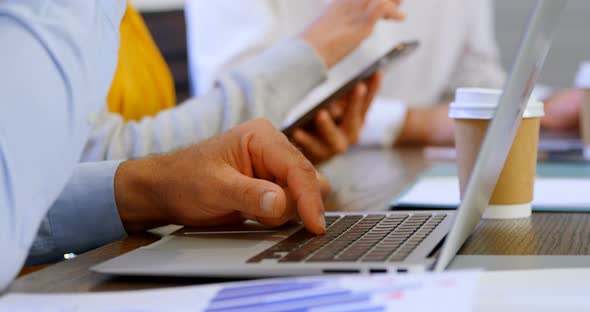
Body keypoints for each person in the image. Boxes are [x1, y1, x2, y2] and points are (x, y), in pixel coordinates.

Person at [1, 0, 403, 290]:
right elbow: (69, 159)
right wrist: (311, 51)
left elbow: (43, 180)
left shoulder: (120, 19)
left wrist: (150, 190)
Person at [186, 0, 582, 148]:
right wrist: (417, 124)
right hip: (287, 188)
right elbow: (229, 112)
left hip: (400, 182)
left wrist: (543, 106)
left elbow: (475, 79)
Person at [81, 1, 400, 165]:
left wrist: (263, 158)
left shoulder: (118, 15)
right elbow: (98, 166)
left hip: (143, 242)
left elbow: (130, 154)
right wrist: (315, 48)